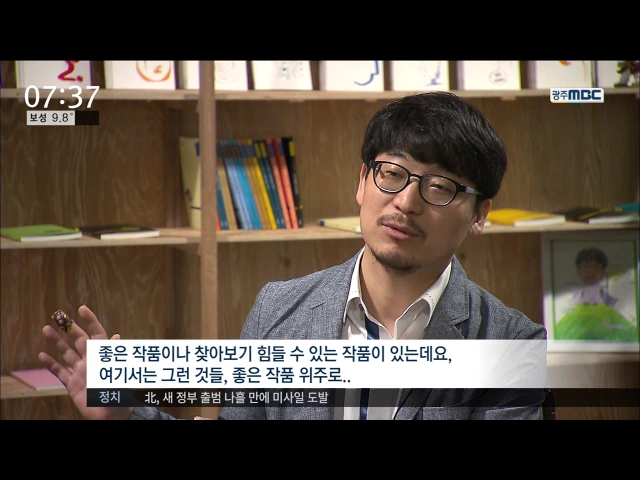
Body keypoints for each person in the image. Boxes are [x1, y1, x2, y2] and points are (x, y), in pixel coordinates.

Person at [39, 91, 548, 420]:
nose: (405, 202)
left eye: (439, 187)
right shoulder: (278, 310)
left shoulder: (510, 344)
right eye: (392, 174)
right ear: (362, 182)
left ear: (479, 214)